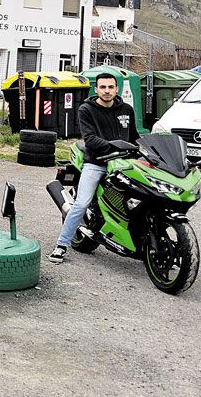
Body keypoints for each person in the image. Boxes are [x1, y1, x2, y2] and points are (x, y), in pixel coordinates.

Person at [49, 72, 138, 264]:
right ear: (96, 89)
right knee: (81, 203)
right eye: (103, 87)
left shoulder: (126, 109)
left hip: (123, 163)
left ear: (117, 89)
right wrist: (116, 146)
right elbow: (89, 139)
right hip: (96, 163)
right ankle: (61, 246)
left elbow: (134, 137)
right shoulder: (86, 109)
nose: (107, 91)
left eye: (111, 87)